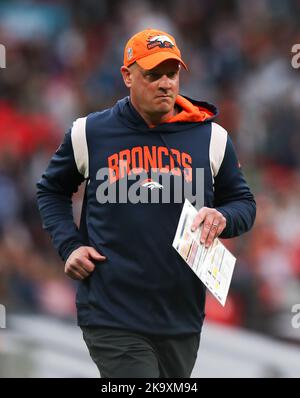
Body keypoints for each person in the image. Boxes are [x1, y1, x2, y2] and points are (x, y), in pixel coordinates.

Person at [36, 28, 256, 378]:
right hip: (111, 313)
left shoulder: (211, 136)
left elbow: (243, 203)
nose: (165, 83)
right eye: (152, 75)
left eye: (171, 74)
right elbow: (51, 190)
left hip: (180, 317)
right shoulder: (90, 133)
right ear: (127, 75)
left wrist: (223, 216)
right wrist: (70, 246)